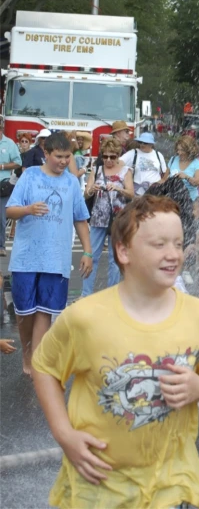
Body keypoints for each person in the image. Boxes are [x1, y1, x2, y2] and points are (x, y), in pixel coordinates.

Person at [31, 195, 199, 509]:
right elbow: (44, 367)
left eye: (179, 244)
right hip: (99, 485)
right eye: (159, 245)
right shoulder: (86, 318)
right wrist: (64, 433)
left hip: (174, 483)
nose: (173, 255)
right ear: (123, 251)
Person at [6, 132, 92, 375]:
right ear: (46, 153)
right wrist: (28, 209)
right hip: (26, 257)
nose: (64, 162)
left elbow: (81, 219)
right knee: (25, 312)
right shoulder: (30, 176)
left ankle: (37, 359)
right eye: (59, 157)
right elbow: (10, 211)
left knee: (45, 310)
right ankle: (27, 352)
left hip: (56, 258)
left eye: (67, 157)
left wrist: (87, 252)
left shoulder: (71, 183)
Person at [82, 138, 134, 297]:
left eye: (112, 157)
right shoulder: (97, 170)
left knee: (115, 260)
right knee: (91, 256)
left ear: (118, 155)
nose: (108, 160)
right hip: (98, 218)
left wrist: (118, 188)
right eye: (105, 157)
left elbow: (132, 194)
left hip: (118, 219)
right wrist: (92, 189)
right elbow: (85, 194)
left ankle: (113, 295)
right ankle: (86, 294)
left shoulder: (126, 171)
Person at [0, 118, 22, 257]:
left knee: (1, 218)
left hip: (2, 184)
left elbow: (18, 162)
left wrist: (2, 166)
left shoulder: (9, 143)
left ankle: (1, 246)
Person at [168, 136, 199, 201]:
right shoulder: (173, 159)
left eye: (182, 150)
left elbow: (198, 182)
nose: (179, 152)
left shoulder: (198, 164)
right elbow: (164, 179)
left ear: (189, 150)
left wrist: (186, 177)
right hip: (172, 200)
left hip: (189, 200)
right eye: (178, 149)